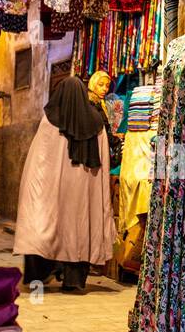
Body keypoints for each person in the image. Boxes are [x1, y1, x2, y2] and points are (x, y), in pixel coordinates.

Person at [13, 75, 115, 292]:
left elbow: (39, 160)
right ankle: (73, 281)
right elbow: (104, 161)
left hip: (52, 188)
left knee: (43, 223)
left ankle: (37, 276)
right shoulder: (96, 124)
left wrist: (38, 188)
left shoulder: (50, 121)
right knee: (78, 229)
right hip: (82, 191)